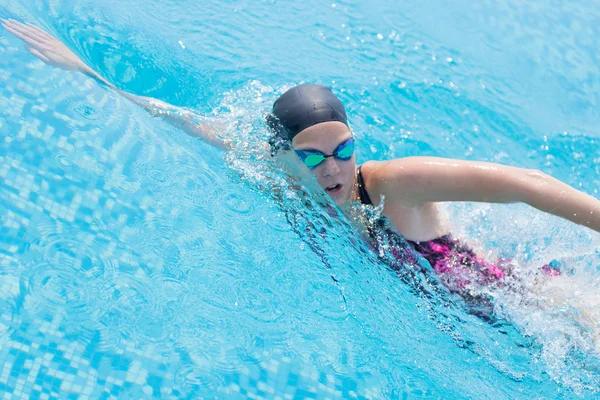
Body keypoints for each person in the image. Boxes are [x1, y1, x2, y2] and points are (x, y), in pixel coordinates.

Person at [4, 19, 600, 324]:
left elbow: (525, 185)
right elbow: (175, 118)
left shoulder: (394, 181)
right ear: (282, 154)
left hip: (517, 295)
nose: (333, 167)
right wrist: (86, 72)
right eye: (312, 156)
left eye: (342, 148)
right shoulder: (264, 163)